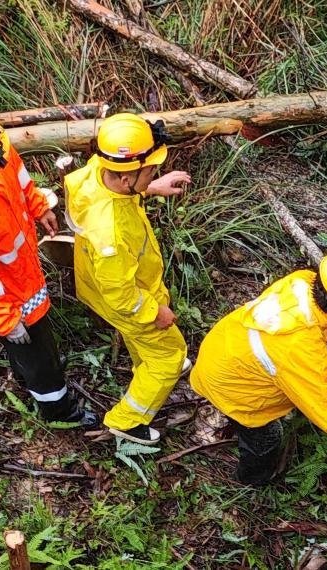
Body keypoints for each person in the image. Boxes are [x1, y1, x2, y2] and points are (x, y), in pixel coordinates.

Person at [0, 102, 97, 427]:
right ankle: (59, 410)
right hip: (9, 295)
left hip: (25, 273)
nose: (0, 163)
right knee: (39, 354)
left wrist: (39, 208)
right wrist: (7, 320)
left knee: (30, 350)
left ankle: (27, 378)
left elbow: (22, 183)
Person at [190, 248, 327, 485]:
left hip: (222, 350)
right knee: (267, 438)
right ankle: (250, 481)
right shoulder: (302, 349)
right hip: (234, 388)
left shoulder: (302, 282)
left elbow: (326, 321)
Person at [64, 113, 191, 445]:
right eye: (150, 172)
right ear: (124, 180)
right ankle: (128, 420)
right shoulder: (110, 233)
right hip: (125, 297)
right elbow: (122, 295)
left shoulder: (96, 171)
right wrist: (154, 311)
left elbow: (121, 183)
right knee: (170, 355)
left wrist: (148, 188)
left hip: (100, 285)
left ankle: (145, 365)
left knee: (146, 343)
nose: (155, 174)